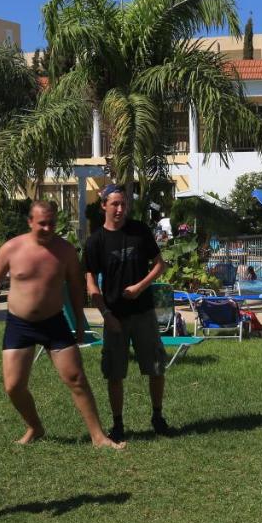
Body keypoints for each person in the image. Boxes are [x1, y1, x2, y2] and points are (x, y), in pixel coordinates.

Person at [0, 201, 123, 448]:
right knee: (13, 386)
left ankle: (98, 436)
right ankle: (35, 427)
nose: (48, 228)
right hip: (20, 324)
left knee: (76, 378)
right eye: (42, 224)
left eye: (52, 223)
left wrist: (80, 322)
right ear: (30, 222)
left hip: (54, 323)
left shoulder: (65, 251)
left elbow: (76, 287)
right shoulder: (12, 248)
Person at [83, 185, 170, 442]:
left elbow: (159, 265)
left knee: (156, 367)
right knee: (114, 372)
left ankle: (157, 416)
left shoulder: (139, 231)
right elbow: (91, 282)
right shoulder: (96, 241)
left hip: (143, 312)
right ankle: (118, 424)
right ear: (104, 206)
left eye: (123, 204)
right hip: (115, 316)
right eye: (115, 204)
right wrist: (105, 314)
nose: (120, 209)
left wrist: (140, 287)